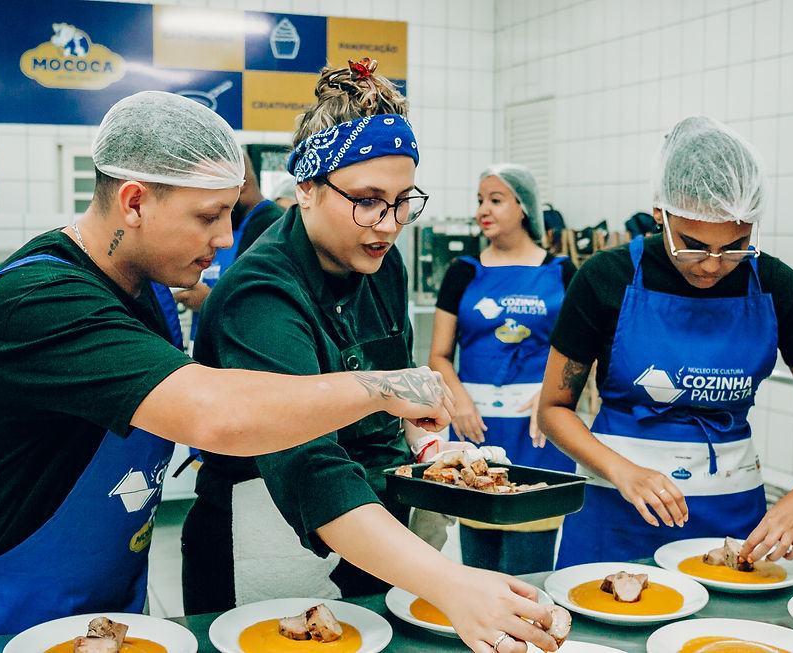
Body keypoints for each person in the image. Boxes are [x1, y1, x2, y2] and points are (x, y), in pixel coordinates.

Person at [0, 90, 453, 645]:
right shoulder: (38, 300)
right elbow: (220, 414)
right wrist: (386, 387)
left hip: (109, 599)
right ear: (135, 202)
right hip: (5, 601)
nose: (225, 239)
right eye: (209, 216)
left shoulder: (152, 294)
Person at [187, 60, 559, 653]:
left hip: (376, 535)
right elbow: (309, 462)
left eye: (402, 201)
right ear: (305, 188)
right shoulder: (260, 295)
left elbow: (398, 392)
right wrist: (452, 585)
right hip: (269, 538)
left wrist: (429, 445)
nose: (388, 225)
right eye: (366, 201)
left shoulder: (380, 264)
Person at [538, 116, 793, 568]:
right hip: (617, 517)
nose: (711, 265)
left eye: (735, 245)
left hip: (734, 528)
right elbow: (553, 409)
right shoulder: (605, 279)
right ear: (660, 213)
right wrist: (621, 470)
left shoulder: (776, 286)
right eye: (692, 244)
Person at [428, 164, 576, 575]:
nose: (482, 211)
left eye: (495, 200)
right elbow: (438, 354)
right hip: (477, 430)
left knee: (529, 566)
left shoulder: (561, 272)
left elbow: (585, 352)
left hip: (539, 431)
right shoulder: (463, 272)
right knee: (478, 561)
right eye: (479, 201)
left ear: (524, 207)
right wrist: (458, 405)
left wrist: (552, 398)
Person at [172, 151, 284, 337]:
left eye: (214, 211)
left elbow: (271, 308)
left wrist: (210, 300)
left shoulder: (274, 229)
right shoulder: (236, 222)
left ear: (241, 184)